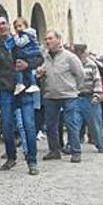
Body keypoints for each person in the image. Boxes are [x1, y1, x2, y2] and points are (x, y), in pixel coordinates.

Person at [0, 16, 43, 175]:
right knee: (6, 125)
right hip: (6, 90)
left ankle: (32, 160)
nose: (1, 27)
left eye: (3, 23)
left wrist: (28, 65)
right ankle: (11, 156)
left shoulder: (21, 39)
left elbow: (38, 57)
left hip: (24, 88)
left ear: (8, 25)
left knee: (29, 125)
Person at [39, 30, 86, 162]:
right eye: (46, 39)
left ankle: (75, 151)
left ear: (59, 40)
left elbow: (80, 74)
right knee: (51, 125)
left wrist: (75, 88)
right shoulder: (45, 57)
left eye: (50, 38)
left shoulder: (69, 57)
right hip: (50, 95)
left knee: (71, 123)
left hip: (68, 95)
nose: (48, 41)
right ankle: (54, 150)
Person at [73, 44, 103, 153]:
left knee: (95, 124)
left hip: (90, 97)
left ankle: (100, 144)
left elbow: (97, 80)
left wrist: (97, 95)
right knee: (74, 124)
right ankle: (73, 146)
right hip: (75, 97)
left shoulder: (92, 65)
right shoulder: (72, 65)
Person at [11, 17, 41, 95]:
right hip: (30, 53)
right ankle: (31, 84)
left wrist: (16, 37)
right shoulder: (30, 34)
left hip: (29, 53)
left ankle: (20, 83)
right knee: (28, 70)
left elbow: (20, 43)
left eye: (20, 26)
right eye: (16, 27)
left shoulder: (26, 34)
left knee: (20, 67)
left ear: (26, 26)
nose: (18, 29)